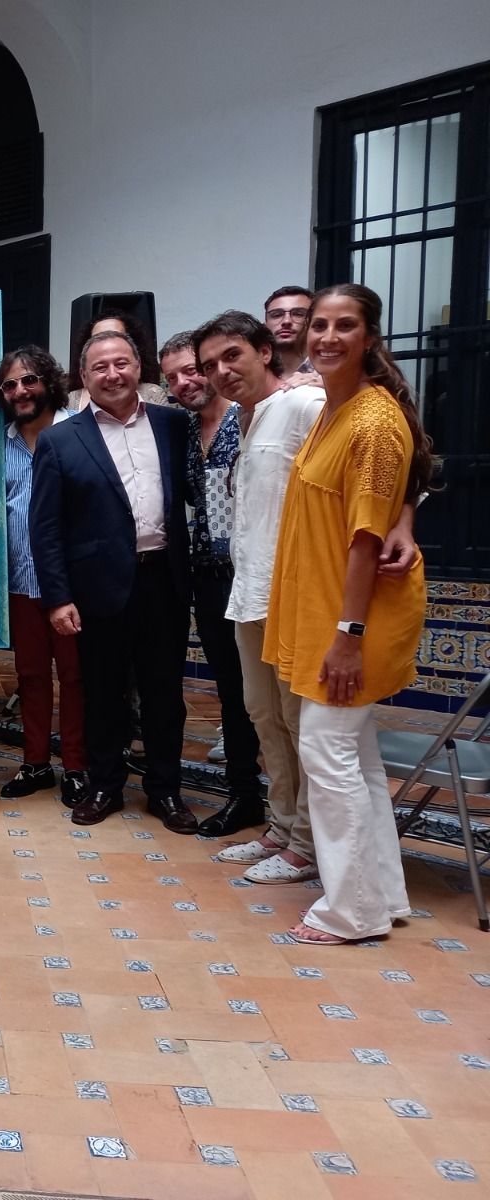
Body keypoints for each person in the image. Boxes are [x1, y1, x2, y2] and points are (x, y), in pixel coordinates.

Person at [196, 309, 419, 886]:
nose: (221, 372)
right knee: (263, 714)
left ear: (265, 351)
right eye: (209, 365)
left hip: (300, 594)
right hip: (250, 590)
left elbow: (388, 467)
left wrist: (405, 519)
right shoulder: (241, 421)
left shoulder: (307, 404)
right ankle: (282, 825)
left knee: (303, 726)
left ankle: (308, 845)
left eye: (232, 357)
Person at [263, 284, 429, 944]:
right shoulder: (338, 411)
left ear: (369, 338)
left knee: (326, 753)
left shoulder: (371, 423)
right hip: (330, 613)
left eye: (344, 326)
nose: (328, 336)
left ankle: (351, 910)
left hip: (355, 620)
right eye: (319, 325)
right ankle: (379, 896)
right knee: (354, 760)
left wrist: (348, 637)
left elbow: (366, 539)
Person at [30, 329, 198, 833]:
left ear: (138, 368)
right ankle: (105, 785)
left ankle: (166, 790)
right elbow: (46, 527)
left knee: (165, 693)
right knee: (102, 692)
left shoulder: (174, 425)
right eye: (100, 367)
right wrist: (58, 598)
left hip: (163, 581)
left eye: (121, 363)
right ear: (83, 378)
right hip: (96, 590)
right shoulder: (61, 439)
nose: (112, 374)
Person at [158, 330, 263, 835]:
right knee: (231, 689)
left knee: (266, 696)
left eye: (190, 370)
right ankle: (247, 795)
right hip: (205, 578)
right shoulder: (180, 431)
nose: (183, 382)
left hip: (258, 574)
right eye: (172, 377)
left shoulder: (256, 417)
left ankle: (281, 807)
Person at [0, 347, 87, 807]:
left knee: (74, 678)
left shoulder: (81, 433)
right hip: (18, 584)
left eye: (28, 380)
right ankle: (35, 763)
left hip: (70, 587)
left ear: (48, 382)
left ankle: (75, 766)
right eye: (9, 385)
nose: (20, 391)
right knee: (30, 675)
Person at [66, 310, 167, 410]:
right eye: (98, 339)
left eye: (117, 336)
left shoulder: (153, 394)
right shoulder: (73, 400)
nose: (108, 344)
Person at [264, 285, 314, 377]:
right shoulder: (255, 375)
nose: (286, 321)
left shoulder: (329, 374)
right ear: (265, 325)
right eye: (276, 315)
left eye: (298, 314)